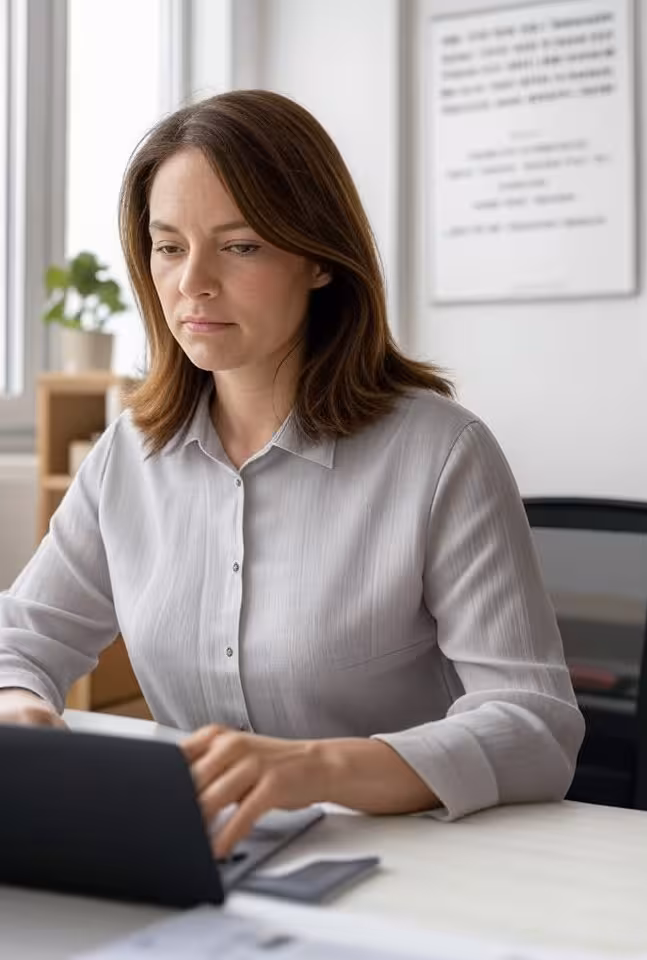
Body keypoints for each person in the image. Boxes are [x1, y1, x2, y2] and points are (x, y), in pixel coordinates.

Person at [0, 90, 584, 858]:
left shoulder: (443, 454)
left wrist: (312, 769)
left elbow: (535, 726)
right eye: (169, 246)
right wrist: (22, 716)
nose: (192, 283)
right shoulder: (129, 456)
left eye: (239, 246)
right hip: (208, 859)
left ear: (317, 259)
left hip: (415, 864)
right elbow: (21, 639)